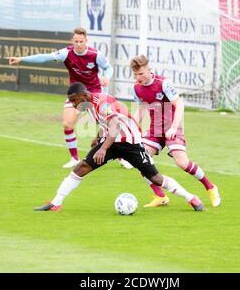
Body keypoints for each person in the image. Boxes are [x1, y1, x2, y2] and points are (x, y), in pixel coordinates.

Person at [33, 82, 205, 212]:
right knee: (82, 166)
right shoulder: (88, 104)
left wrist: (102, 148)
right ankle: (56, 203)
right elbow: (106, 124)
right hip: (111, 141)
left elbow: (114, 124)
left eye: (73, 100)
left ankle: (191, 198)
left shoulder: (101, 102)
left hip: (130, 143)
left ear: (83, 95)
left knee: (156, 178)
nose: (72, 104)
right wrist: (98, 137)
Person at [8, 27, 133, 169]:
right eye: (76, 41)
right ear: (72, 41)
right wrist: (21, 59)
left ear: (86, 41)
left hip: (94, 94)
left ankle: (122, 158)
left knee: (109, 125)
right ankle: (74, 158)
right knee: (67, 124)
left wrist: (106, 77)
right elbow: (45, 57)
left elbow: (108, 68)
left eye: (81, 41)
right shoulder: (66, 53)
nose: (78, 44)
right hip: (76, 95)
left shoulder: (95, 54)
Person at [130, 55, 221, 208]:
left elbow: (179, 105)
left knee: (182, 163)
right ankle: (160, 196)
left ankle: (210, 187)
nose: (138, 78)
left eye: (141, 74)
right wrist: (131, 128)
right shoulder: (136, 88)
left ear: (149, 70)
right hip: (155, 129)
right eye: (135, 75)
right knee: (140, 160)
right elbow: (141, 110)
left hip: (172, 126)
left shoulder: (163, 83)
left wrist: (173, 127)